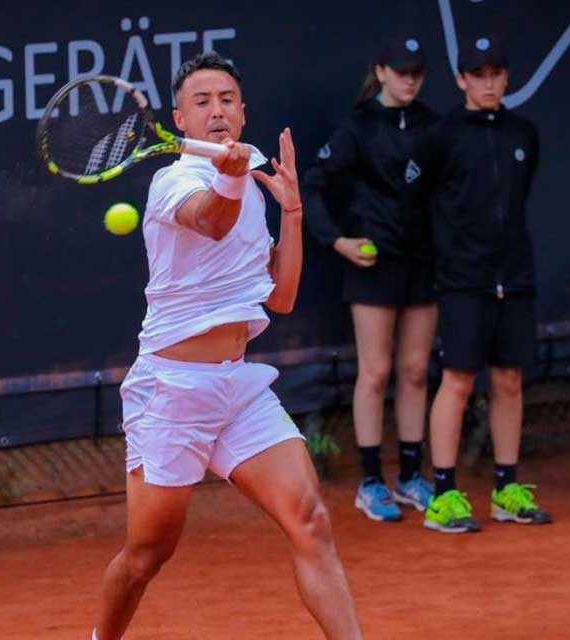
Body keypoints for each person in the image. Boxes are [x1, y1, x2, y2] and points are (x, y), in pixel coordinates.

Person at [92, 53, 363, 640]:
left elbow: (283, 297)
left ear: (243, 113)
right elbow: (212, 220)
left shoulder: (254, 192)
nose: (217, 111)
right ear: (179, 120)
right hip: (173, 393)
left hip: (238, 389)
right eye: (202, 102)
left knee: (310, 520)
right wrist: (234, 177)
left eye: (227, 100)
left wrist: (291, 209)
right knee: (147, 556)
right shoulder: (174, 182)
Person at [406, 36, 554, 534]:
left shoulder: (523, 134)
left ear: (506, 78)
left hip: (514, 276)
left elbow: (520, 195)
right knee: (460, 381)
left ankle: (507, 490)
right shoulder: (441, 137)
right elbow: (418, 198)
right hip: (462, 279)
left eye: (496, 73)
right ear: (461, 80)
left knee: (509, 380)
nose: (488, 83)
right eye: (478, 74)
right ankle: (444, 493)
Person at [301, 37, 439, 522]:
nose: (410, 80)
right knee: (376, 372)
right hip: (371, 265)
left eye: (417, 72)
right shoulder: (357, 127)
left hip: (423, 265)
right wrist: (337, 241)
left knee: (416, 371)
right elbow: (312, 184)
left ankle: (409, 477)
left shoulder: (433, 126)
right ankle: (370, 482)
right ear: (380, 71)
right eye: (401, 71)